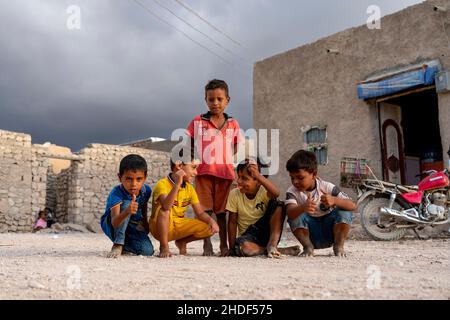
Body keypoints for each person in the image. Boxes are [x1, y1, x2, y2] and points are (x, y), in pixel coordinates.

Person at [186, 79, 241, 256]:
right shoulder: (198, 121)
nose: (215, 103)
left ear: (227, 100)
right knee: (205, 210)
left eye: (219, 99)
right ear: (206, 100)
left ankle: (223, 246)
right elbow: (188, 143)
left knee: (222, 212)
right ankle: (206, 244)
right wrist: (191, 162)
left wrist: (225, 161)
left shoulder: (232, 123)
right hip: (203, 173)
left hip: (225, 174)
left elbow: (236, 146)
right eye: (211, 99)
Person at [149, 148, 220, 258]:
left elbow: (200, 213)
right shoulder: (162, 184)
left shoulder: (189, 188)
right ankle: (164, 246)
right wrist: (177, 184)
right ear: (179, 166)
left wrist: (212, 221)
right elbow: (166, 206)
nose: (196, 173)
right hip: (160, 228)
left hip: (179, 225)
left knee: (209, 227)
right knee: (164, 211)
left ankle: (182, 242)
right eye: (193, 168)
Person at [285, 150, 356, 257]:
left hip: (330, 233)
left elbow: (353, 205)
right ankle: (308, 248)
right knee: (295, 214)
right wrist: (303, 207)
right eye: (292, 178)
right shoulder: (292, 192)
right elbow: (290, 213)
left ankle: (338, 246)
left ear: (313, 174)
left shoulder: (327, 187)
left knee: (344, 210)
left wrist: (334, 200)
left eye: (300, 177)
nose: (295, 182)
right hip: (310, 236)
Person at [225, 158, 300, 258]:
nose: (239, 181)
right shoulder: (235, 194)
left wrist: (258, 175)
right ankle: (276, 250)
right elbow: (232, 222)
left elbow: (276, 193)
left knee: (279, 205)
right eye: (239, 177)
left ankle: (272, 245)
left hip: (267, 233)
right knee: (241, 248)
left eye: (244, 178)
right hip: (248, 237)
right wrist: (231, 248)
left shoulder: (264, 191)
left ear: (258, 181)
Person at [100, 154, 154, 258]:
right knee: (126, 204)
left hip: (132, 224)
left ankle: (125, 244)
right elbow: (115, 223)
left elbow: (143, 206)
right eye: (128, 179)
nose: (134, 184)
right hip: (112, 224)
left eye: (139, 179)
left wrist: (145, 223)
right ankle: (118, 244)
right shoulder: (116, 193)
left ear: (145, 178)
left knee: (147, 251)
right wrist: (127, 211)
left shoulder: (146, 190)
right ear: (120, 177)